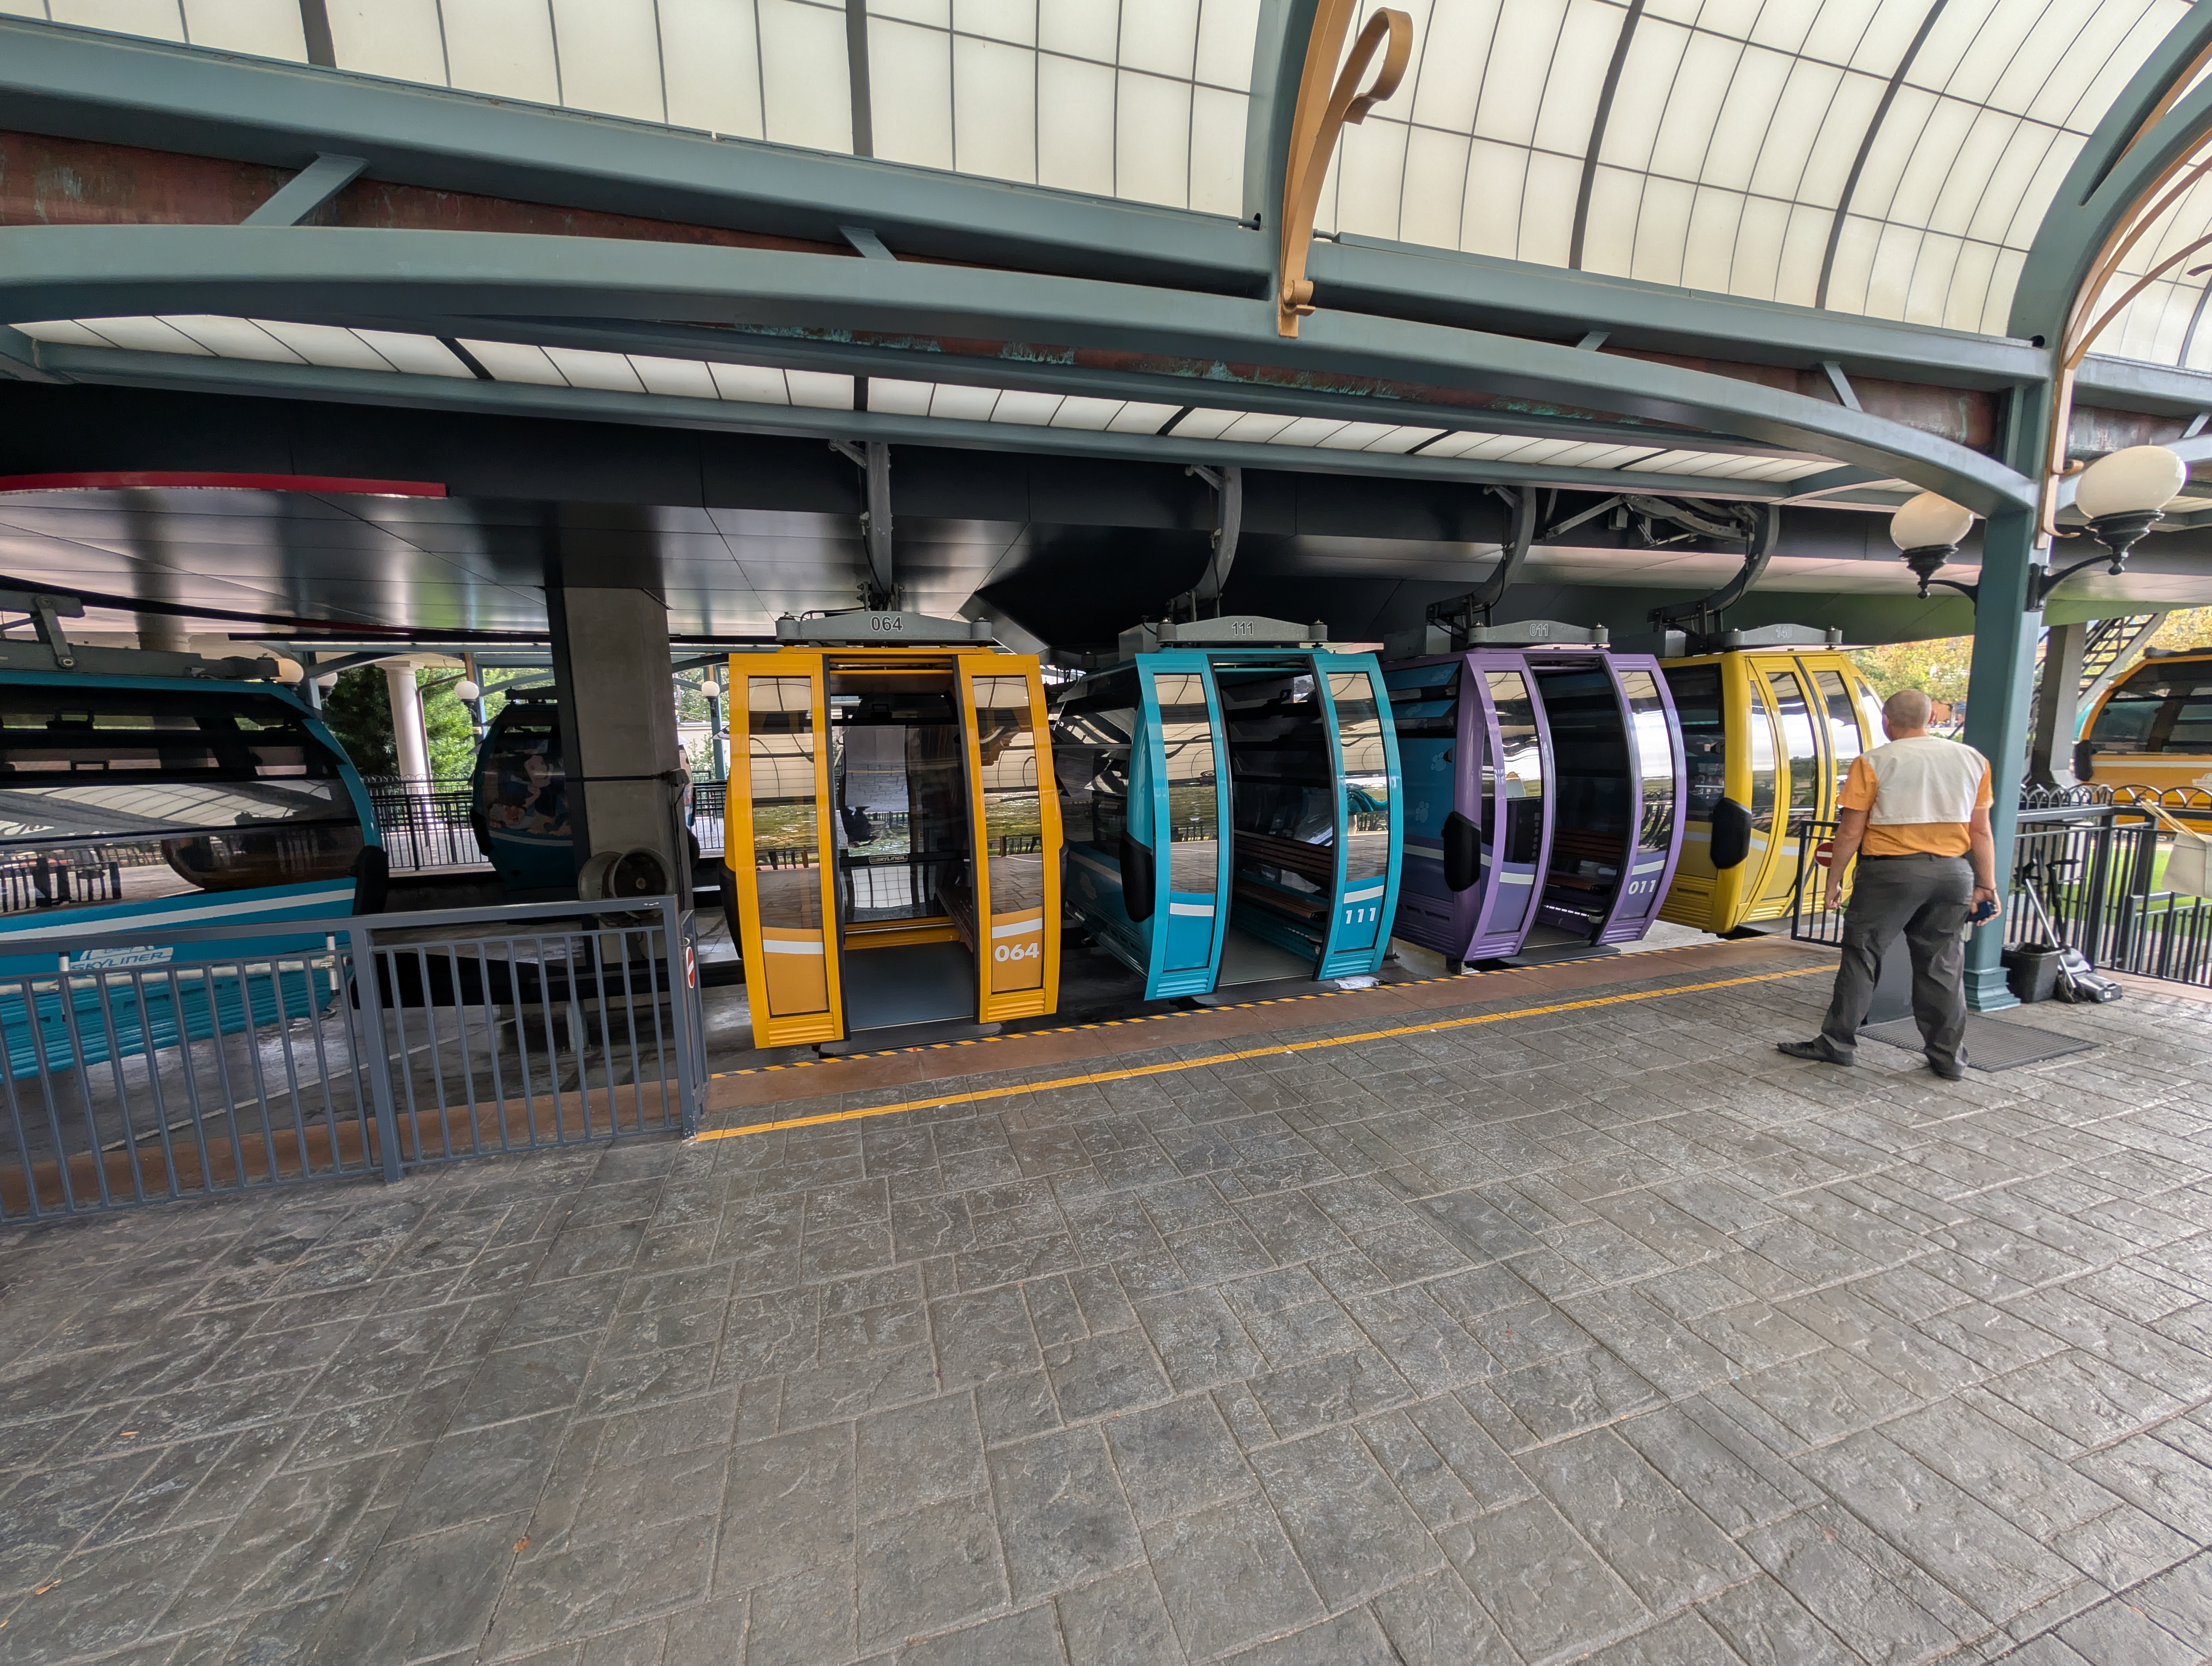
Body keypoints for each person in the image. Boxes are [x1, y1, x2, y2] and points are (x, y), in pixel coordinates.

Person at [1777, 687, 1998, 1081]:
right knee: (1943, 966)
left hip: (1891, 874)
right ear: (1932, 719)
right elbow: (1981, 831)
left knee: (1862, 956)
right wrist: (1987, 885)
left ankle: (1837, 1044)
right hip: (1953, 874)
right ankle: (1948, 1058)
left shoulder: (1874, 762)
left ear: (1886, 721)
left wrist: (1833, 881)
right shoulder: (1973, 760)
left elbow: (1851, 832)